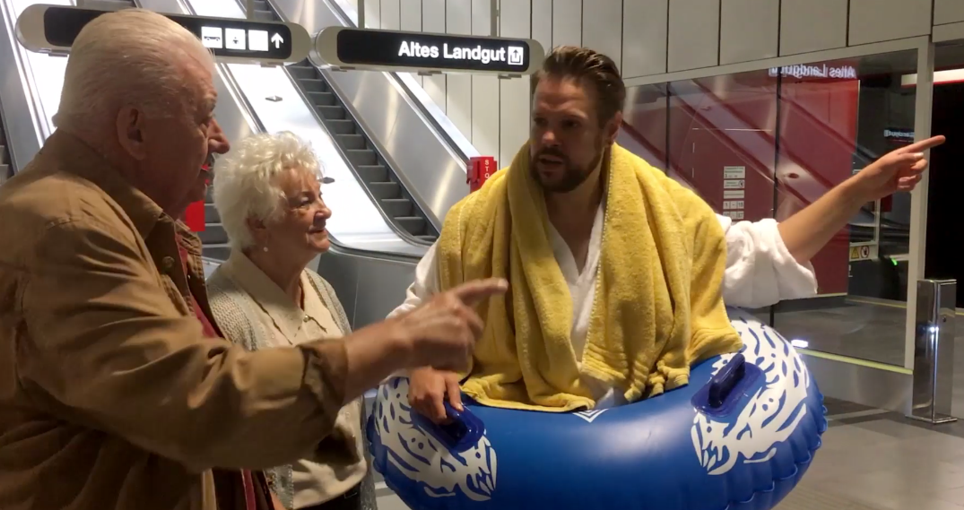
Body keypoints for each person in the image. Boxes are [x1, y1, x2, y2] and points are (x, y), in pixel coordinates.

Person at [0, 9, 506, 510]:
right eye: (202, 115)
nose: (220, 138)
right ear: (134, 129)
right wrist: (398, 341)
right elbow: (205, 403)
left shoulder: (118, 228)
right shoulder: (65, 232)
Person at [398, 45, 943, 423]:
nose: (547, 140)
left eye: (570, 125)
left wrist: (856, 190)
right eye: (541, 121)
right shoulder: (477, 223)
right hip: (521, 451)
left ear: (611, 130)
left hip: (639, 449)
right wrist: (422, 361)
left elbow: (762, 254)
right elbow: (412, 317)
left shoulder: (663, 214)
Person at [206, 132, 376, 510]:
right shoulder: (223, 311)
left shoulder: (319, 288)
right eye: (305, 202)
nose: (325, 210)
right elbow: (224, 450)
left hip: (343, 502)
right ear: (258, 222)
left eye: (320, 196)